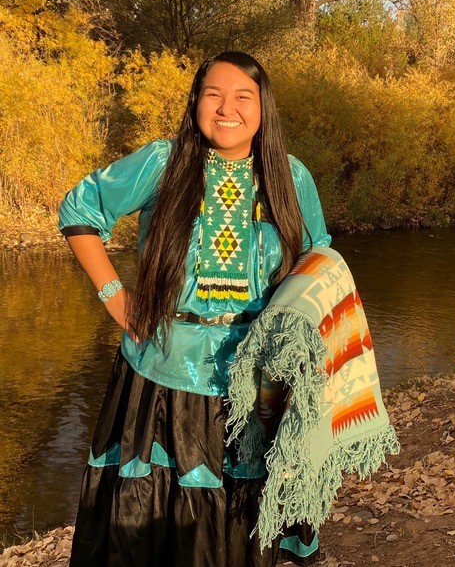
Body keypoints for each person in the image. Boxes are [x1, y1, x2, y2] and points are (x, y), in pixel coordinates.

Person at [58, 51, 331, 567]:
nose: (227, 108)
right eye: (213, 95)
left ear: (263, 109)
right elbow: (79, 209)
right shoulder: (165, 161)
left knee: (242, 526)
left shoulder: (291, 177)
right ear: (196, 103)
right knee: (156, 529)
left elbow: (320, 261)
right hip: (162, 374)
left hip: (261, 379)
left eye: (242, 97)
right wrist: (115, 296)